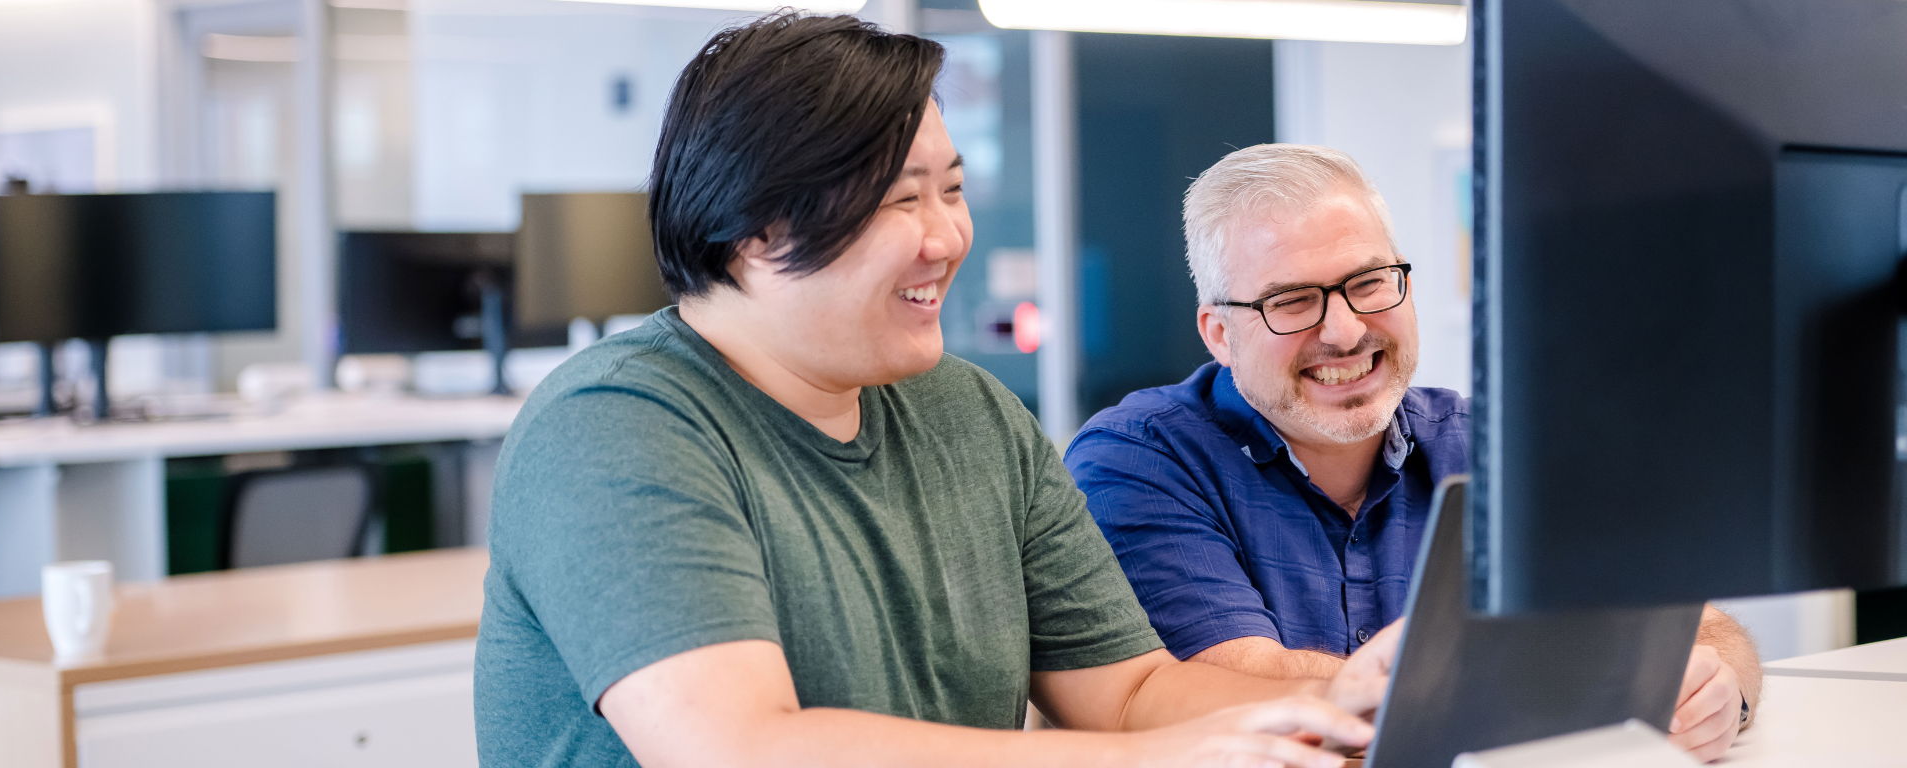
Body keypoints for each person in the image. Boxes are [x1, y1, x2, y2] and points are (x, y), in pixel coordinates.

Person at [475, 16, 1401, 768]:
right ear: (756, 231)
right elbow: (745, 749)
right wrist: (1162, 758)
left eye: (951, 191)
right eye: (901, 199)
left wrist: (1345, 699)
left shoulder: (972, 415)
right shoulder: (615, 427)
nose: (947, 237)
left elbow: (1128, 693)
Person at [1063, 144, 1764, 763]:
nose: (1345, 331)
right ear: (1219, 333)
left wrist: (1720, 688)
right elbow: (1236, 683)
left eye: (1369, 283)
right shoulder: (1140, 461)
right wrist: (1562, 693)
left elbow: (1693, 623)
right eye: (1293, 301)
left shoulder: (1492, 442)